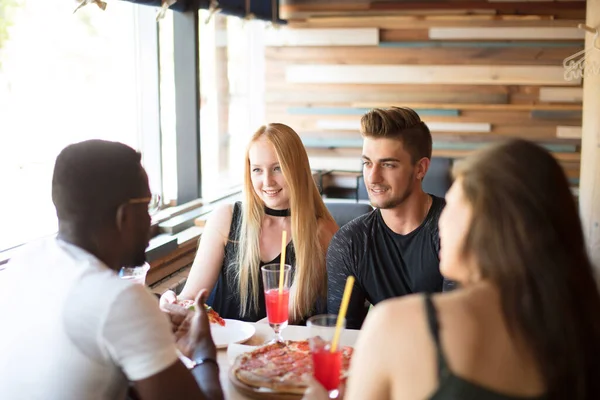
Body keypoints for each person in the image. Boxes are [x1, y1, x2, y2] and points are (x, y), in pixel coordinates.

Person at [306, 139, 600, 400]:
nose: (442, 220)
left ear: (492, 229)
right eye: (367, 163)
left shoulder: (396, 323)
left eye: (455, 207)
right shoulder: (580, 334)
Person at [0, 140, 224, 400]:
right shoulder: (119, 298)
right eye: (148, 206)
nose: (152, 220)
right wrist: (202, 351)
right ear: (125, 216)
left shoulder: (24, 262)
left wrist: (150, 334)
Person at [161, 123, 338, 324]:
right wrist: (174, 303)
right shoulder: (225, 218)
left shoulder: (321, 232)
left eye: (277, 168)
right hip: (221, 346)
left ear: (297, 169)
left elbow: (289, 315)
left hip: (281, 351)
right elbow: (192, 295)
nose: (267, 181)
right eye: (257, 170)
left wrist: (251, 341)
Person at [327, 107, 450, 329]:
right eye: (367, 163)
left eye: (388, 164)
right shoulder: (351, 243)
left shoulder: (454, 229)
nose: (373, 177)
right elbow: (342, 337)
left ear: (420, 168)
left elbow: (460, 329)